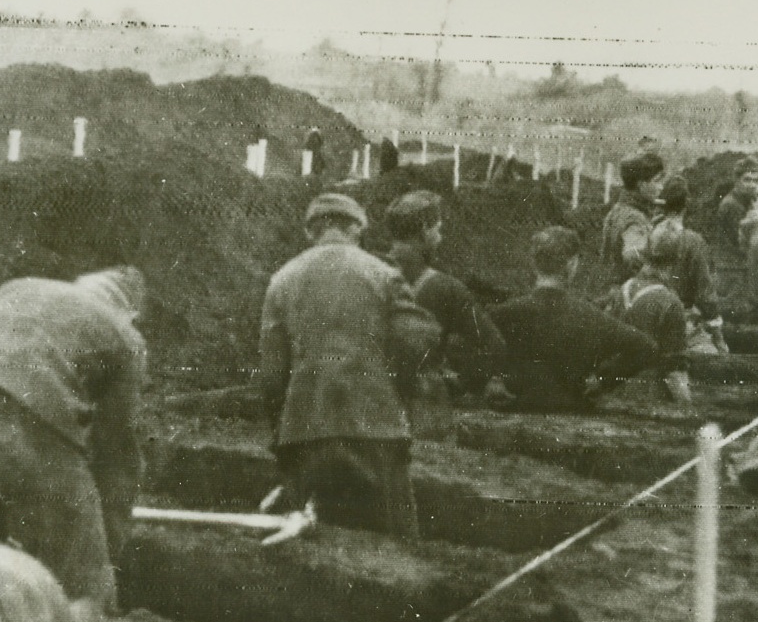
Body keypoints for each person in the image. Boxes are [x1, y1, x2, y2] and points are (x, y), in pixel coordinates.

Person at [0, 268, 148, 612]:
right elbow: (118, 454)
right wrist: (105, 551)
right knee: (82, 590)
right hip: (30, 423)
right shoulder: (123, 334)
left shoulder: (14, 291)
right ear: (131, 314)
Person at [258, 193, 440, 537]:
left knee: (312, 548)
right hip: (377, 431)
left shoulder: (280, 281)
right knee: (395, 543)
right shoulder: (384, 275)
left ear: (311, 232)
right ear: (356, 228)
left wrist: (280, 434)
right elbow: (415, 346)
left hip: (305, 432)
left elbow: (271, 377)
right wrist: (399, 398)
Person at [491, 226, 657, 412]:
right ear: (571, 265)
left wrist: (486, 381)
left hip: (515, 411)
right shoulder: (591, 315)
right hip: (575, 412)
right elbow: (646, 347)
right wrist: (603, 381)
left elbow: (460, 343)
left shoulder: (507, 313)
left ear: (534, 263)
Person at [384, 190, 512, 409]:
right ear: (424, 229)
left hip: (368, 402)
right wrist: (459, 385)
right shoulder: (445, 288)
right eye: (438, 229)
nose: (440, 237)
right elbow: (494, 346)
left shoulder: (362, 274)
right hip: (420, 404)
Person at [606, 219, 692, 404]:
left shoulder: (623, 290)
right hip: (651, 398)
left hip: (615, 392)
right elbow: (675, 372)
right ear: (677, 261)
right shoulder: (670, 303)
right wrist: (688, 408)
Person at [652, 175, 727, 354]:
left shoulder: (650, 232)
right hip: (680, 320)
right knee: (710, 357)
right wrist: (719, 337)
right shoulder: (692, 241)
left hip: (649, 314)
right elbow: (705, 294)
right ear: (686, 205)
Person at [599, 151, 666, 284]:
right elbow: (633, 256)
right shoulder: (635, 219)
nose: (661, 187)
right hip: (630, 293)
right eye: (657, 181)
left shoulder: (618, 209)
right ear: (641, 185)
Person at [717, 156, 758, 246]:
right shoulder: (731, 204)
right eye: (747, 180)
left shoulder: (750, 199)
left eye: (755, 181)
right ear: (737, 180)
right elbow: (740, 242)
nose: (752, 185)